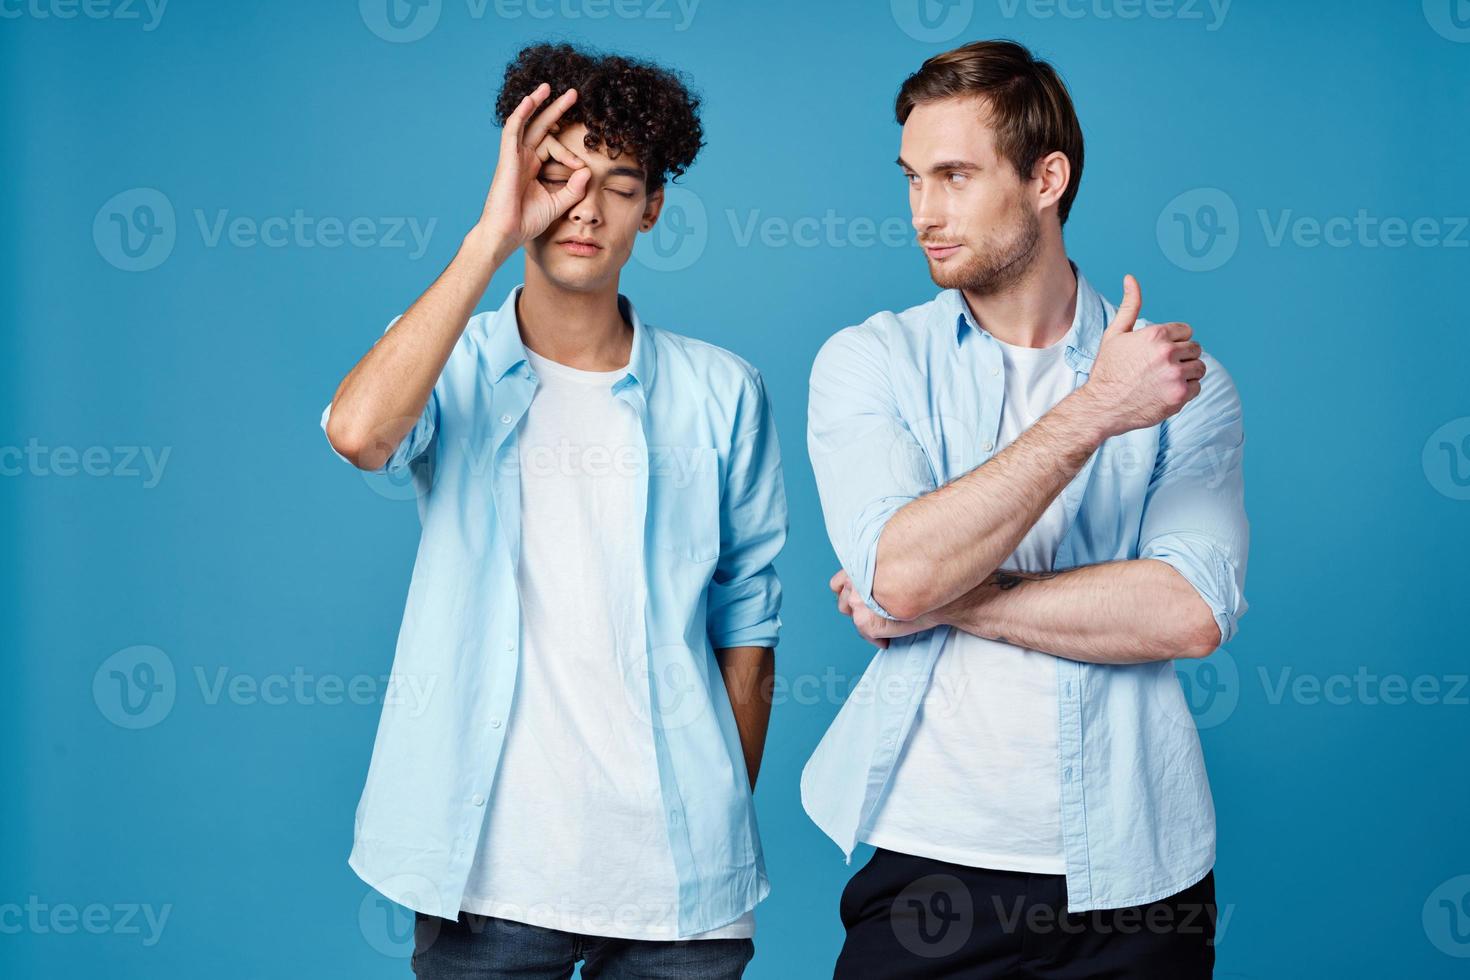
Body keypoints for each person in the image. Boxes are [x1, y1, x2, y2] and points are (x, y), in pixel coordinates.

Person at [320, 42, 785, 979]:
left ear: (652, 207)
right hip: (489, 881)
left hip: (678, 891)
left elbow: (750, 624)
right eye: (558, 173)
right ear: (520, 177)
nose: (585, 206)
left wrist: (713, 803)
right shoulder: (446, 360)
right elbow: (360, 434)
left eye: (620, 183)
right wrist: (490, 237)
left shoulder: (724, 392)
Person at [802, 39, 1248, 979]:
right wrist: (1095, 410)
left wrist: (941, 601)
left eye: (956, 176)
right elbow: (903, 567)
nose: (924, 212)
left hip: (1139, 876)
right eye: (912, 178)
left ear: (1048, 179)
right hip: (929, 868)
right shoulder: (869, 360)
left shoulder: (1183, 388)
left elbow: (1189, 613)